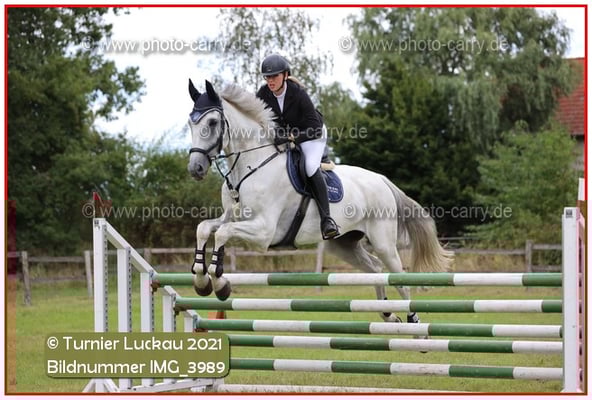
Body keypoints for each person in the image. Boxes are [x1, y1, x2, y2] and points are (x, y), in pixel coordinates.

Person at [256, 54, 339, 240]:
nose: (270, 81)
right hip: (288, 136)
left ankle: (327, 220)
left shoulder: (298, 93)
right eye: (267, 77)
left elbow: (315, 128)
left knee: (309, 167)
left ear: (285, 75)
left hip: (312, 135)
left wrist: (291, 138)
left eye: (274, 76)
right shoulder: (263, 94)